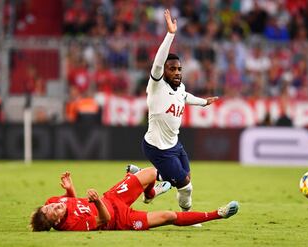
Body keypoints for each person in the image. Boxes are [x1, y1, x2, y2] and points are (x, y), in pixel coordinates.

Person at [131, 9, 219, 223]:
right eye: (172, 69)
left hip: (175, 145)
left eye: (179, 68)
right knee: (186, 187)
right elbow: (159, 62)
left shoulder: (180, 88)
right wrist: (170, 34)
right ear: (164, 71)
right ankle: (187, 217)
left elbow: (185, 96)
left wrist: (203, 102)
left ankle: (147, 181)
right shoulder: (156, 86)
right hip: (157, 148)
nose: (177, 72)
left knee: (185, 177)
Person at [30, 168, 239, 231]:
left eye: (50, 206)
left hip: (112, 197)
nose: (55, 205)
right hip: (120, 219)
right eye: (53, 211)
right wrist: (96, 202)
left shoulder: (55, 201)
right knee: (168, 216)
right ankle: (218, 214)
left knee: (150, 173)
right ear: (56, 222)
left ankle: (151, 194)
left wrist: (69, 190)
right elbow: (103, 220)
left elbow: (71, 203)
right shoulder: (72, 226)